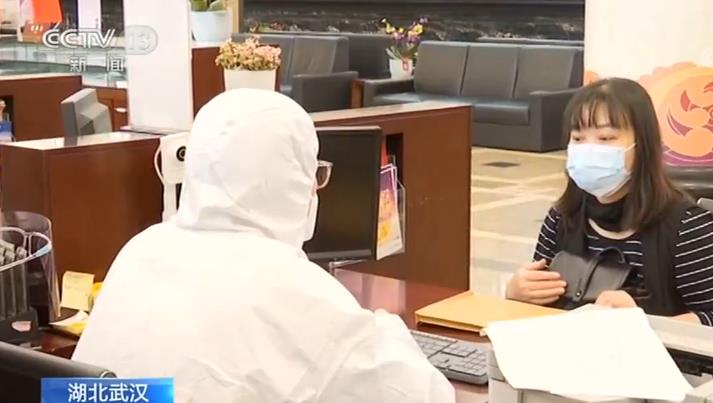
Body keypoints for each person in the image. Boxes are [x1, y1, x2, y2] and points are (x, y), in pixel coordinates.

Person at [73, 89, 454, 403]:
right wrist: (384, 329)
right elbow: (422, 395)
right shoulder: (290, 285)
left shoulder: (142, 249)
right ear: (290, 180)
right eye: (312, 173)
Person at [505, 78, 713, 329]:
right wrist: (516, 293)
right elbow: (538, 307)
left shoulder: (690, 228)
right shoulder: (561, 216)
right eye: (578, 138)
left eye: (605, 138)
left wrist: (644, 323)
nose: (589, 150)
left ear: (642, 144)